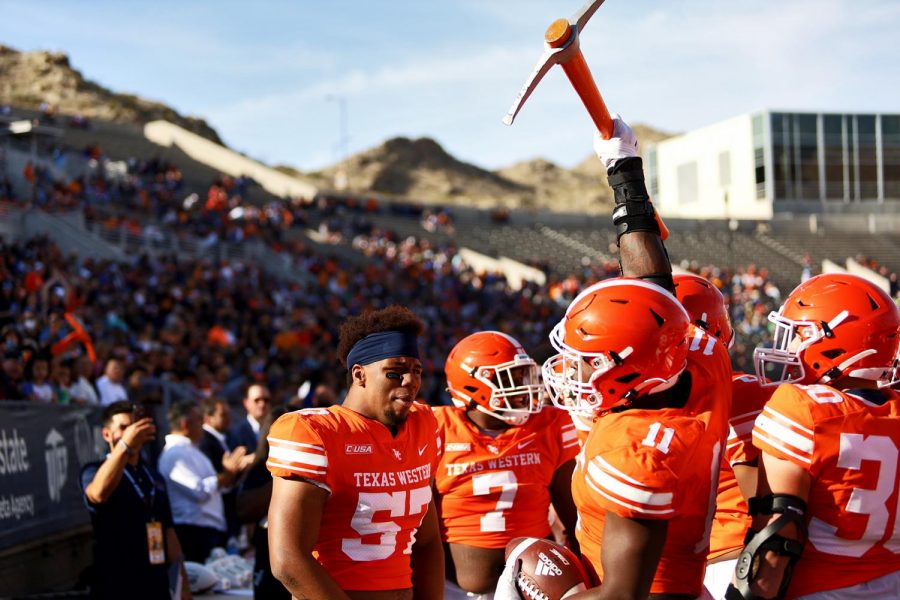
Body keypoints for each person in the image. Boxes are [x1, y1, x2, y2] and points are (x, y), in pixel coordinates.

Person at [500, 115, 732, 600]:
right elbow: (653, 290)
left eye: (584, 357)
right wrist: (624, 171)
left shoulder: (636, 452)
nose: (570, 366)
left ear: (620, 370)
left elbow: (622, 595)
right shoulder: (700, 361)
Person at [728, 273, 900, 599]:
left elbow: (778, 533)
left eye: (797, 334)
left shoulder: (802, 408)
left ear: (832, 343)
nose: (790, 346)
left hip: (820, 588)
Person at [266, 305, 445, 599]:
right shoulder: (316, 432)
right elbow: (288, 561)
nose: (410, 381)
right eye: (395, 372)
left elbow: (426, 542)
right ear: (359, 374)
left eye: (416, 371)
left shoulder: (423, 425)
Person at [435, 331, 580, 599]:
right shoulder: (437, 428)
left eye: (524, 375)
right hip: (452, 589)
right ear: (473, 386)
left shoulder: (549, 424)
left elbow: (573, 515)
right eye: (510, 378)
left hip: (535, 587)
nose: (524, 388)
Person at [672, 273, 775, 598]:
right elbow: (769, 506)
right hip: (735, 559)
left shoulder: (635, 410)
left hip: (692, 564)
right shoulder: (744, 391)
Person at [80, 401, 191, 599]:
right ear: (107, 434)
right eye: (123, 428)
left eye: (134, 427)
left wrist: (182, 584)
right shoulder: (94, 470)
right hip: (117, 583)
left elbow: (169, 532)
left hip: (155, 581)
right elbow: (97, 494)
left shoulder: (153, 477)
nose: (131, 433)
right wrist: (124, 445)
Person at [158, 400, 250, 563]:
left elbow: (215, 488)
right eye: (199, 419)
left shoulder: (190, 450)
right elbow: (199, 491)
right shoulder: (175, 453)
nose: (203, 424)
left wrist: (229, 476)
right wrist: (227, 474)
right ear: (185, 424)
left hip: (204, 531)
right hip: (192, 533)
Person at [237, 405, 291, 600]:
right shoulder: (259, 469)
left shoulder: (318, 467)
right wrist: (282, 477)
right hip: (268, 557)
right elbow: (243, 511)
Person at [198, 396, 241, 537]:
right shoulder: (205, 442)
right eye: (223, 415)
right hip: (214, 512)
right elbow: (216, 475)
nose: (229, 418)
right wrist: (235, 468)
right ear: (208, 418)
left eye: (228, 413)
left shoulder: (224, 437)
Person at [228, 383, 271, 452]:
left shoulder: (276, 429)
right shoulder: (236, 433)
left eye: (266, 400)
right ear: (246, 403)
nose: (262, 404)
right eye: (257, 400)